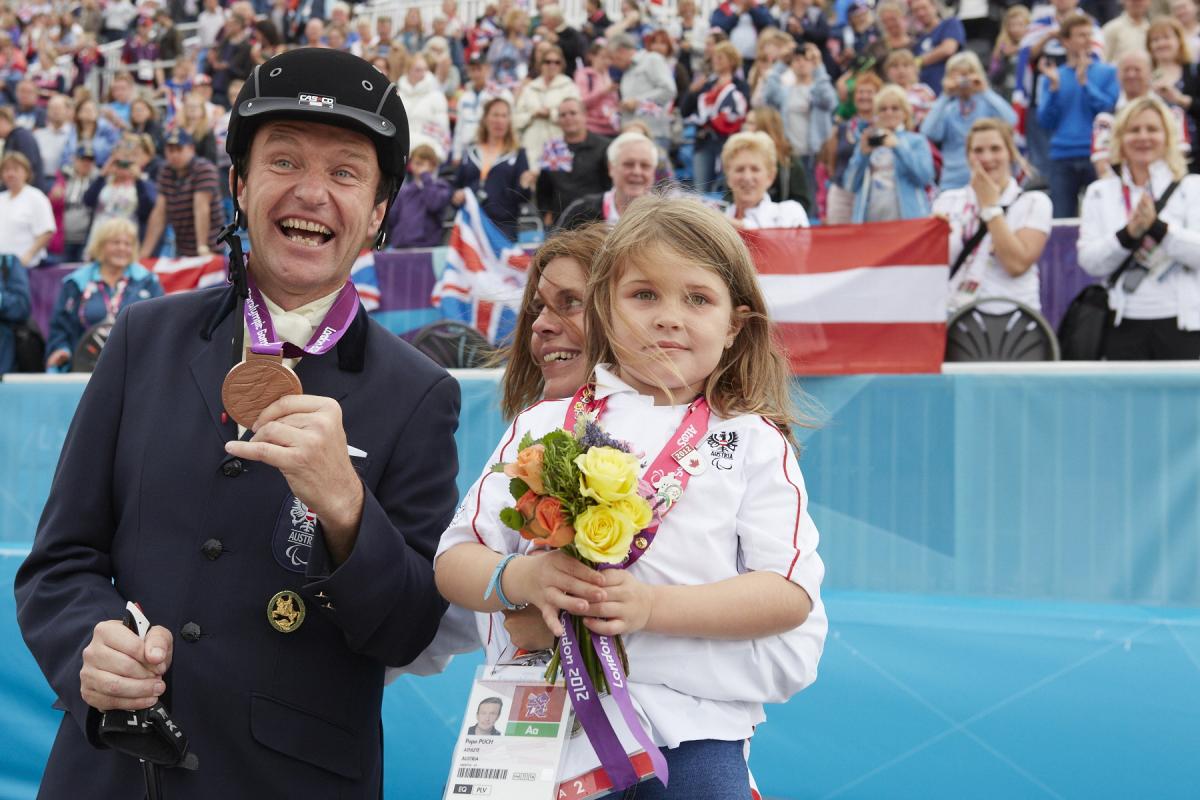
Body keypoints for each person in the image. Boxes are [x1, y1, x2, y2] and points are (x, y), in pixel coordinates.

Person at [15, 47, 460, 798]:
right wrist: (87, 647)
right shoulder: (141, 339)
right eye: (284, 161)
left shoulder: (420, 393)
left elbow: (411, 627)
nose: (312, 192)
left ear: (379, 214)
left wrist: (346, 507)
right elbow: (60, 564)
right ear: (240, 184)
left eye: (346, 173)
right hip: (112, 771)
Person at [435, 195, 825, 800]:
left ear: (734, 326)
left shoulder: (753, 440)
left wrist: (648, 609)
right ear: (606, 313)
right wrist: (523, 579)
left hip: (697, 737)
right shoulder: (544, 424)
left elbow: (787, 595)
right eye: (644, 295)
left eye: (697, 298)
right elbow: (455, 564)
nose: (669, 317)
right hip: (546, 732)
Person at [1078, 95, 1200, 359]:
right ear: (1120, 138)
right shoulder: (1099, 192)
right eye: (1134, 130)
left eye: (1152, 129)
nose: (1143, 137)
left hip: (1185, 324)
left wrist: (1158, 228)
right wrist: (1127, 234)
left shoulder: (1193, 187)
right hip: (1123, 322)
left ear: (1168, 137)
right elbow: (1089, 261)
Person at [933, 119, 1051, 314]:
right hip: (957, 318)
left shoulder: (1033, 202)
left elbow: (1016, 264)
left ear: (1010, 153)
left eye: (995, 149)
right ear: (968, 156)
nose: (987, 158)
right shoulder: (947, 201)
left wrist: (990, 208)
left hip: (1012, 321)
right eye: (978, 151)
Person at [500, 224, 608, 417]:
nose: (538, 325)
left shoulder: (672, 436)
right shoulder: (525, 431)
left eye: (572, 302)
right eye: (539, 308)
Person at [45, 217, 163, 370]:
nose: (122, 248)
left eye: (128, 244)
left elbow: (161, 325)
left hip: (136, 367)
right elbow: (60, 326)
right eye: (115, 243)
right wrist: (61, 349)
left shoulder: (148, 282)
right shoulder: (76, 283)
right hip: (85, 366)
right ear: (100, 246)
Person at [1036, 12, 1119, 217]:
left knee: (1103, 217)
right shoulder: (1053, 76)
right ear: (1065, 41)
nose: (1087, 40)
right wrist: (1054, 89)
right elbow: (1045, 121)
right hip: (1062, 157)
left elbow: (1107, 110)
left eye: (1089, 34)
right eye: (1081, 35)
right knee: (1061, 220)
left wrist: (1085, 84)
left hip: (1097, 157)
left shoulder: (1108, 72)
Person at [921, 51, 1018, 191]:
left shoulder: (988, 103)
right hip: (953, 181)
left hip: (989, 177)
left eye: (967, 74)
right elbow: (928, 132)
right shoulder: (947, 108)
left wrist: (985, 90)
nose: (963, 80)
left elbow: (1011, 120)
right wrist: (945, 95)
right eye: (957, 75)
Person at [844, 85, 936, 223]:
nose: (888, 113)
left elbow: (925, 177)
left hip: (909, 221)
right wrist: (862, 155)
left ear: (905, 113)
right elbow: (850, 185)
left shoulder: (916, 140)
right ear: (876, 114)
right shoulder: (869, 141)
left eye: (895, 108)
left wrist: (898, 147)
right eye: (883, 109)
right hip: (872, 225)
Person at [452, 97, 535, 239]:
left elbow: (522, 197)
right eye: (495, 115)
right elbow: (456, 186)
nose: (499, 120)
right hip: (471, 227)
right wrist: (456, 196)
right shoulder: (470, 151)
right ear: (485, 119)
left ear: (509, 121)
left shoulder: (518, 153)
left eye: (504, 116)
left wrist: (525, 185)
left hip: (502, 228)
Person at [765, 41, 837, 202]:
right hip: (792, 155)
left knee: (815, 198)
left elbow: (829, 100)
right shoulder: (786, 91)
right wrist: (781, 64)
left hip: (814, 155)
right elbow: (768, 96)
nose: (801, 62)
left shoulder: (818, 88)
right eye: (796, 59)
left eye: (806, 59)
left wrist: (819, 66)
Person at [142, 128, 226, 257]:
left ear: (191, 149)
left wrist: (202, 248)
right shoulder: (165, 171)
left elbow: (201, 209)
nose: (174, 155)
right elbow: (159, 213)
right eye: (170, 150)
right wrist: (144, 254)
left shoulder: (204, 169)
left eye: (179, 149)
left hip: (211, 248)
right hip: (183, 248)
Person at [683, 40, 751, 194]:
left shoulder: (740, 85)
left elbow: (743, 111)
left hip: (728, 142)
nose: (716, 60)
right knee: (701, 189)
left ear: (732, 60)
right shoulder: (706, 84)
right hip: (704, 142)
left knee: (728, 188)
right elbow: (685, 111)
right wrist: (692, 92)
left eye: (721, 57)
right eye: (715, 57)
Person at [556, 131, 656, 229]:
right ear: (611, 168)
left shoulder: (667, 217)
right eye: (628, 164)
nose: (637, 172)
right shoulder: (582, 213)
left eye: (645, 165)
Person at [535, 97, 611, 224]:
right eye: (563, 115)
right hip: (560, 224)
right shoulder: (552, 149)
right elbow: (543, 188)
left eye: (573, 113)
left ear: (584, 116)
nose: (568, 118)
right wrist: (545, 214)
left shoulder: (604, 147)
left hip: (595, 223)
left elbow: (610, 185)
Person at [723, 130, 809, 229]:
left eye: (755, 169)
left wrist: (736, 226)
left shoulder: (789, 212)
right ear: (728, 176)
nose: (747, 177)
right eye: (739, 169)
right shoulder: (718, 217)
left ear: (770, 176)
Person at [513, 45, 581, 165]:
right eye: (547, 62)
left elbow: (577, 117)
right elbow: (516, 119)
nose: (552, 66)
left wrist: (551, 114)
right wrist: (533, 114)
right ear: (541, 64)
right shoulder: (530, 88)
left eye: (556, 62)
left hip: (559, 142)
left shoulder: (569, 87)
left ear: (562, 65)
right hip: (532, 143)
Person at [610, 32, 676, 152]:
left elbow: (669, 90)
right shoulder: (626, 73)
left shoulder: (652, 59)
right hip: (632, 134)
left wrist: (637, 102)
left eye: (613, 57)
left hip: (654, 134)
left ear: (621, 50)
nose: (612, 63)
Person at [83, 142, 158, 242]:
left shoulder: (143, 182)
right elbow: (88, 201)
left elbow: (148, 210)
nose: (123, 167)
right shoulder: (105, 182)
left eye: (127, 164)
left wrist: (138, 179)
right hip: (100, 235)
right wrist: (103, 174)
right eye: (118, 163)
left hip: (126, 237)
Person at [387, 143, 452, 248]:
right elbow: (392, 218)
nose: (417, 166)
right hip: (400, 246)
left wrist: (425, 177)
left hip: (426, 248)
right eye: (415, 162)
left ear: (433, 165)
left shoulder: (441, 187)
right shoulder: (404, 191)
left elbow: (434, 204)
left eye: (422, 163)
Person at [452, 55, 513, 165]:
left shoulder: (500, 94)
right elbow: (459, 127)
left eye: (479, 69)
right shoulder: (465, 96)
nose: (476, 74)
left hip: (490, 147)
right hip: (467, 148)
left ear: (487, 69)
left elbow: (509, 123)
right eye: (472, 70)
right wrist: (457, 153)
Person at [0, 152, 56, 269]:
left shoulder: (36, 197)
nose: (10, 174)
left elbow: (47, 231)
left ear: (26, 172)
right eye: (6, 170)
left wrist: (29, 255)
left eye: (15, 169)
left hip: (24, 267)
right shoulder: (2, 198)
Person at [910, 0, 965, 92]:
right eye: (916, 10)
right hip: (927, 95)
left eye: (924, 8)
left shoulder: (950, 23)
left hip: (950, 90)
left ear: (934, 7)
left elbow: (948, 49)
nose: (921, 13)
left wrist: (920, 61)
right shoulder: (918, 39)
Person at [575, 42, 619, 137]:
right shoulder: (584, 75)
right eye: (603, 57)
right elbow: (582, 103)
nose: (607, 62)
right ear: (592, 56)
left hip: (612, 128)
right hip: (592, 128)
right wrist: (603, 92)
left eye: (609, 58)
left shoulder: (610, 77)